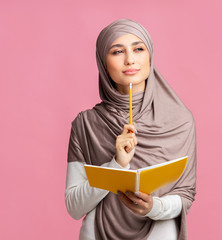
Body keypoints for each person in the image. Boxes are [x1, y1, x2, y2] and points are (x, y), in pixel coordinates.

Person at [65, 19, 197, 240]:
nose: (130, 59)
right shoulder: (86, 124)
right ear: (102, 62)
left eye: (138, 49)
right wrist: (117, 164)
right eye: (117, 52)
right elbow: (74, 207)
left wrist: (154, 207)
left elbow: (186, 195)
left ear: (150, 55)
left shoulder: (181, 121)